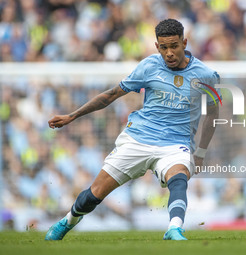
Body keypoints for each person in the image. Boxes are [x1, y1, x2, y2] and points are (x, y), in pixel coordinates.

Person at [45, 18, 220, 241]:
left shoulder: (205, 75)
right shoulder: (148, 66)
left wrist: (201, 152)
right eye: (163, 47)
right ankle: (67, 221)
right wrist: (73, 115)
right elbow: (110, 95)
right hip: (138, 138)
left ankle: (174, 229)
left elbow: (213, 113)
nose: (169, 53)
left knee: (179, 178)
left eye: (174, 46)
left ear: (184, 43)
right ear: (157, 46)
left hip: (175, 144)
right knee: (96, 193)